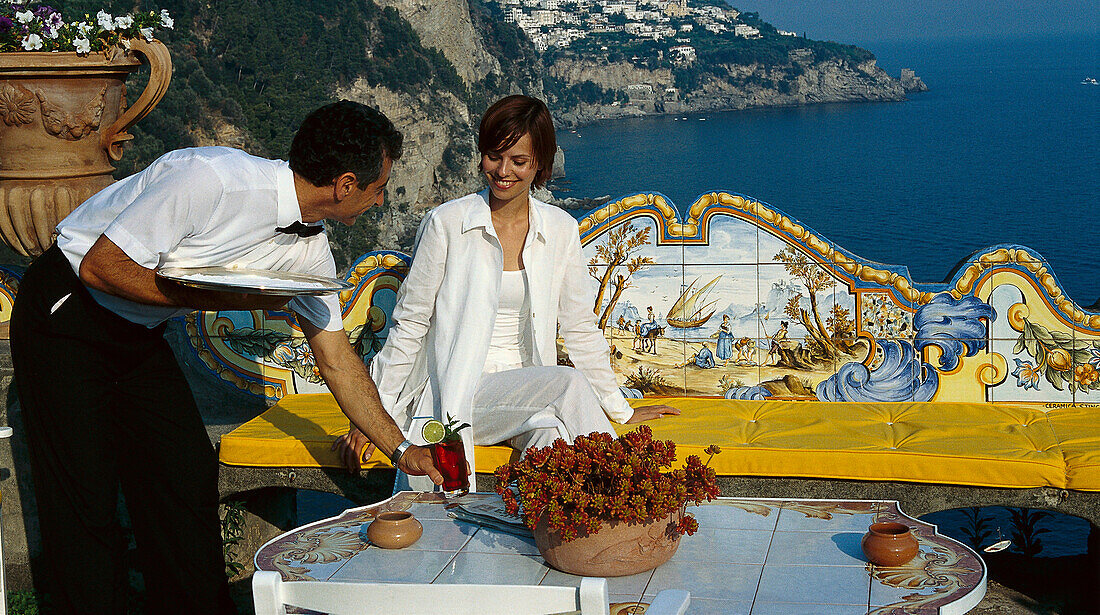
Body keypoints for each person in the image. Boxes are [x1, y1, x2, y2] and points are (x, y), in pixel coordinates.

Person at [10, 100, 442, 615]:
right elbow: (102, 268)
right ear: (345, 185)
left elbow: (337, 360)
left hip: (138, 331)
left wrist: (400, 448)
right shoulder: (211, 180)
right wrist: (224, 299)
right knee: (84, 497)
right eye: (378, 189)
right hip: (66, 313)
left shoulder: (311, 254)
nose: (378, 203)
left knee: (185, 475)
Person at [336, 95, 678, 485]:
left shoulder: (561, 230)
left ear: (540, 165)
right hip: (462, 390)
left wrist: (623, 410)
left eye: (519, 161)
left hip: (527, 394)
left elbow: (580, 329)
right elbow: (409, 325)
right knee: (566, 383)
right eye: (494, 156)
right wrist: (371, 418)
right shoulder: (447, 224)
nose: (503, 171)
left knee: (552, 442)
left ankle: (528, 534)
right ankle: (624, 498)